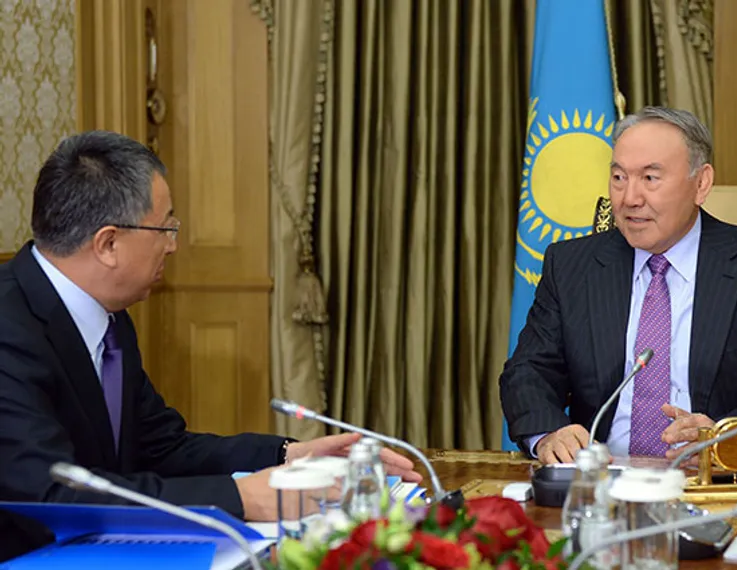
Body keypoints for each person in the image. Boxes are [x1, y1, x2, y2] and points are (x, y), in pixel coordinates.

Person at [0, 131, 421, 560]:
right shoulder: (9, 329)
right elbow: (50, 495)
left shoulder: (108, 316)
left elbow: (162, 447)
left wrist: (287, 457)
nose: (173, 245)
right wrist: (242, 497)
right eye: (165, 228)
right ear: (108, 244)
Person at [500, 107, 737, 465]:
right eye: (618, 177)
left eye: (650, 178)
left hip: (716, 479)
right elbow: (528, 372)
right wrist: (549, 434)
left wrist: (731, 435)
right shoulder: (571, 266)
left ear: (701, 184)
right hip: (602, 479)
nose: (629, 198)